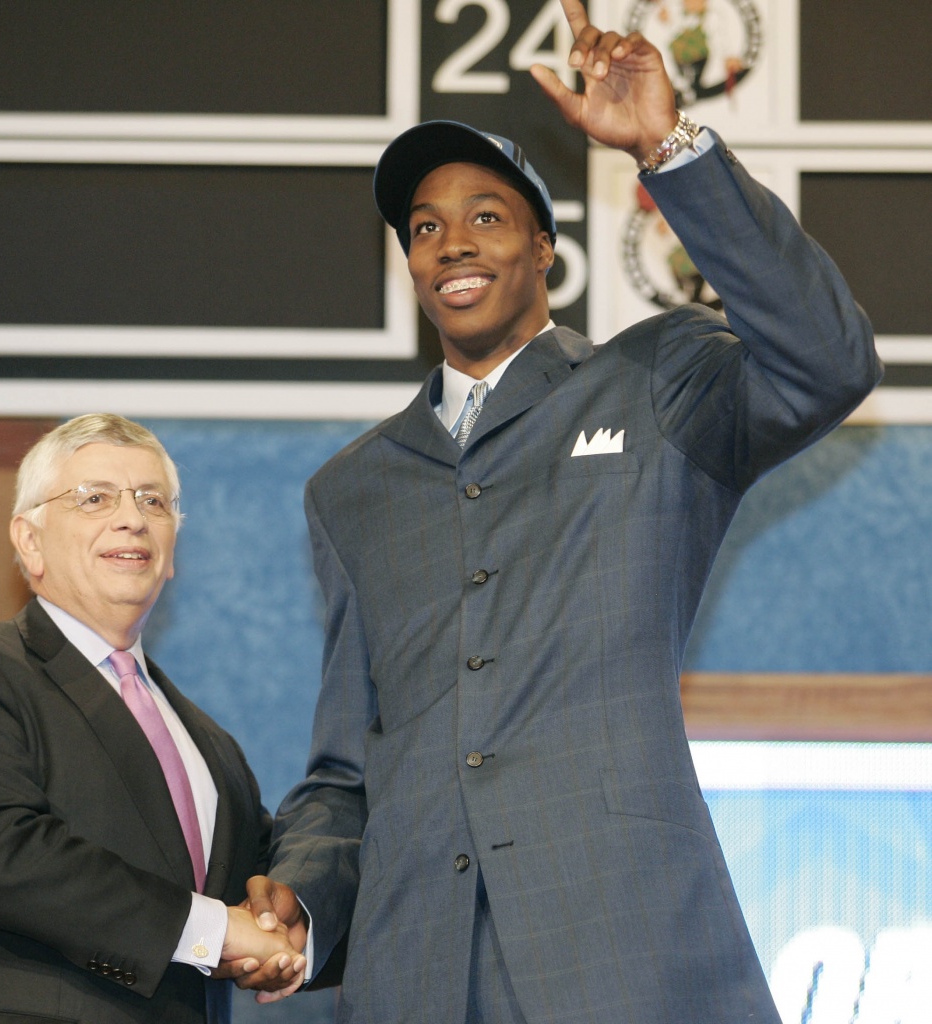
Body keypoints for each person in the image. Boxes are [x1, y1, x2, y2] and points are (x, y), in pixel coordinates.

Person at [238, 1, 882, 1020]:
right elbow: (346, 768)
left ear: (546, 250)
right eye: (424, 227)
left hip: (621, 951)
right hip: (418, 974)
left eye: (486, 217)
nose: (452, 243)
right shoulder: (350, 489)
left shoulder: (656, 378)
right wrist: (306, 903)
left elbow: (827, 360)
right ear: (408, 265)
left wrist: (670, 150)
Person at [0, 414, 306, 1023]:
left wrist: (286, 925)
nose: (132, 517)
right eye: (94, 498)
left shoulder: (211, 746)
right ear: (29, 540)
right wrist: (219, 930)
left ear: (170, 553)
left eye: (153, 500)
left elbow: (260, 896)